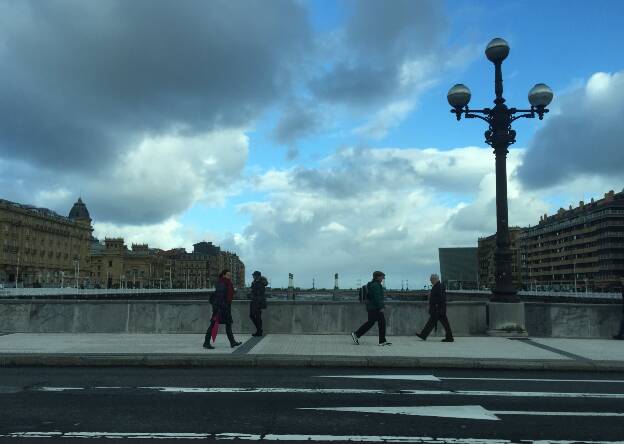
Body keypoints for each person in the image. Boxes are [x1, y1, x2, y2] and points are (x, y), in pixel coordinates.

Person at [203, 269, 242, 349]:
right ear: (223, 275)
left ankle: (232, 342)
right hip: (220, 309)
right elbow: (220, 297)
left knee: (228, 324)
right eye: (228, 275)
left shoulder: (226, 283)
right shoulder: (222, 283)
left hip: (223, 308)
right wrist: (223, 307)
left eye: (230, 275)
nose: (229, 276)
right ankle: (206, 343)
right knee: (213, 325)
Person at [351, 271, 391, 346]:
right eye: (382, 276)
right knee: (379, 323)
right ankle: (356, 334)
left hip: (372, 307)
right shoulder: (376, 285)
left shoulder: (373, 284)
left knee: (374, 322)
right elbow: (377, 297)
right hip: (375, 308)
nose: (383, 278)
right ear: (378, 277)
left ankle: (357, 334)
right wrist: (381, 307)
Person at [416, 273, 454, 342]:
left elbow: (441, 298)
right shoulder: (438, 286)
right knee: (433, 323)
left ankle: (449, 337)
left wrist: (433, 301)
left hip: (438, 310)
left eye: (431, 280)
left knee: (442, 324)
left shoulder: (439, 286)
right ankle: (423, 335)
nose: (431, 281)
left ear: (435, 279)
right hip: (438, 309)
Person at [249, 270, 268, 337]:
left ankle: (259, 331)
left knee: (257, 317)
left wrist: (253, 294)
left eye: (254, 275)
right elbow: (252, 291)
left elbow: (259, 293)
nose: (253, 276)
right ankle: (259, 329)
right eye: (253, 275)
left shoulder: (260, 283)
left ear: (257, 276)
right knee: (252, 316)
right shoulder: (254, 282)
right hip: (254, 301)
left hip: (258, 302)